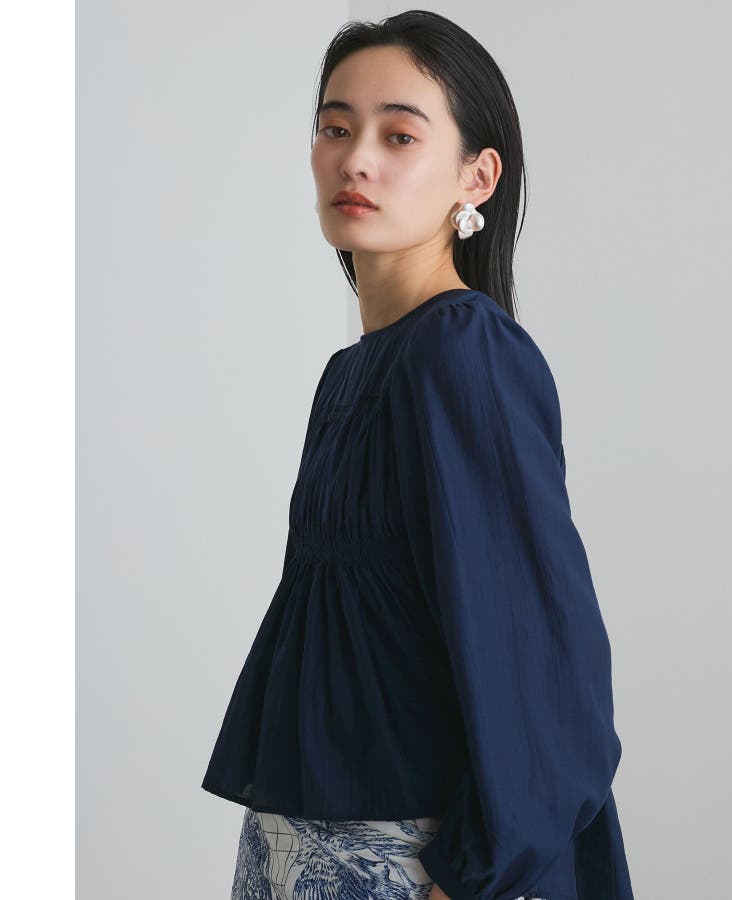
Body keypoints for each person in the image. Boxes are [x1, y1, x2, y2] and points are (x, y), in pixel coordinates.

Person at [201, 10, 634, 900]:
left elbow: (544, 654)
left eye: (398, 135)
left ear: (476, 176)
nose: (355, 159)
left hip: (411, 855)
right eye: (335, 128)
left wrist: (471, 877)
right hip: (296, 840)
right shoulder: (353, 372)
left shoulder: (463, 349)